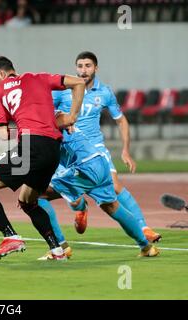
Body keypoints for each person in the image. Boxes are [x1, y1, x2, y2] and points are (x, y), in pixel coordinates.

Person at [0, 56, 85, 260]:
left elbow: (3, 133)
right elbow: (79, 82)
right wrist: (72, 116)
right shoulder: (40, 78)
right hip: (53, 150)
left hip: (32, 146)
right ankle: (57, 251)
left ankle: (10, 236)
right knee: (27, 201)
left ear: (2, 74)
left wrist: (22, 128)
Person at [47, 51, 161, 243]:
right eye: (80, 66)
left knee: (115, 187)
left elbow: (121, 120)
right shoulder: (63, 90)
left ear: (96, 68)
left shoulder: (105, 92)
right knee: (74, 198)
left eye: (88, 66)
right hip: (67, 149)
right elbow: (46, 112)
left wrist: (126, 150)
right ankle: (81, 208)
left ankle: (143, 228)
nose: (83, 70)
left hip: (95, 148)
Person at [37, 114, 159, 260]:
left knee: (35, 195)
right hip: (99, 162)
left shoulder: (47, 119)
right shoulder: (53, 116)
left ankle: (60, 247)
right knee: (111, 206)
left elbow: (61, 124)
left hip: (83, 168)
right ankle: (146, 247)